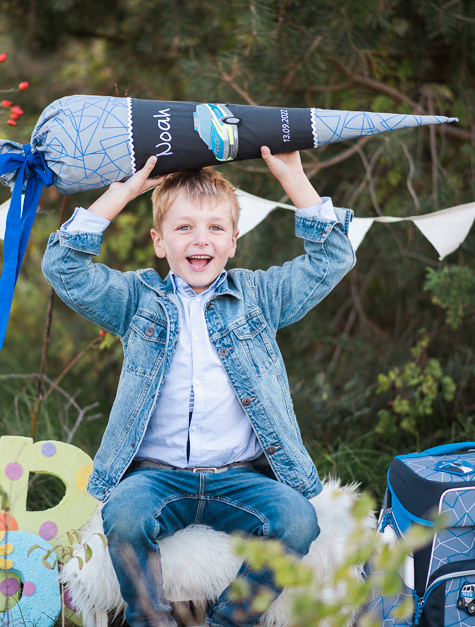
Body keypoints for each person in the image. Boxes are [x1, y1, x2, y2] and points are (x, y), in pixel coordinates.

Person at [42, 146, 355, 627]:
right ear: (159, 242)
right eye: (183, 227)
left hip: (241, 479)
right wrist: (120, 193)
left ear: (233, 241)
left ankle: (229, 621)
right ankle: (153, 621)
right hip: (159, 476)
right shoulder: (138, 301)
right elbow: (64, 268)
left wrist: (295, 179)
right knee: (122, 519)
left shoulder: (259, 298)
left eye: (214, 228)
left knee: (299, 521)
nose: (199, 239)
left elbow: (332, 258)